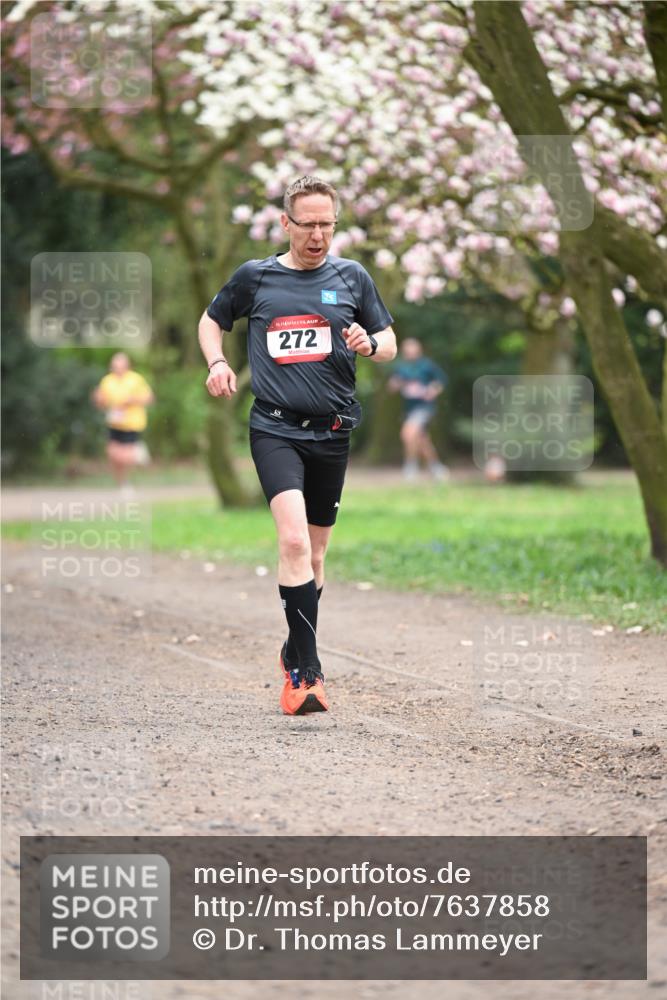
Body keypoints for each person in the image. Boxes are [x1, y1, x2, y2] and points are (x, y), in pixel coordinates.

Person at [198, 175, 396, 716]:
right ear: (286, 223)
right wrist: (217, 362)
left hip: (332, 432)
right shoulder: (255, 277)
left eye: (326, 224)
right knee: (292, 544)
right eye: (307, 224)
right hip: (275, 428)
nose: (317, 235)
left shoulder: (352, 277)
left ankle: (295, 644)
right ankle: (305, 675)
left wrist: (369, 341)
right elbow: (212, 321)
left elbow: (389, 341)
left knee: (317, 551)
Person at [92, 352, 154, 495]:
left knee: (125, 457)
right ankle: (122, 482)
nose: (117, 368)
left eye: (120, 366)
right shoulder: (107, 381)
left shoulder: (136, 379)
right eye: (114, 366)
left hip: (132, 423)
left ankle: (126, 479)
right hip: (114, 423)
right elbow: (100, 402)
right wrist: (99, 399)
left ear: (127, 366)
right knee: (112, 455)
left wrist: (132, 401)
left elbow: (149, 398)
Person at [388, 337, 449, 481]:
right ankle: (436, 467)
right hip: (409, 409)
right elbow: (392, 386)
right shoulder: (400, 367)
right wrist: (396, 384)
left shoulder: (427, 365)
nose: (410, 352)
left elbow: (441, 382)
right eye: (407, 350)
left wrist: (432, 391)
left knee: (407, 434)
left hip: (424, 407)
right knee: (422, 440)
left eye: (412, 349)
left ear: (419, 350)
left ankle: (410, 467)